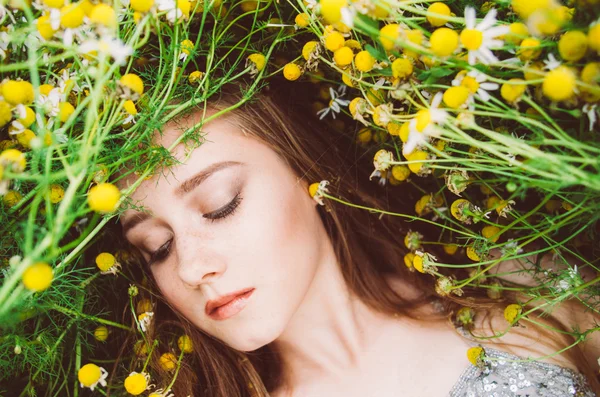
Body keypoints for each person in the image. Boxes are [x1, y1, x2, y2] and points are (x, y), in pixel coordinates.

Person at [114, 83, 599, 397]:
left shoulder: (519, 286)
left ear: (309, 173)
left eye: (220, 204)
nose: (190, 268)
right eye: (158, 246)